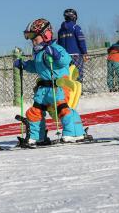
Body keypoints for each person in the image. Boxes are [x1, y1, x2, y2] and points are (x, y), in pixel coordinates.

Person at [14, 18, 86, 147]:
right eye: (31, 39)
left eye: (35, 38)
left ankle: (75, 132)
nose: (33, 42)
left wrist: (56, 55)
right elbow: (37, 67)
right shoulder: (38, 53)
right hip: (43, 89)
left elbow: (65, 60)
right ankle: (37, 136)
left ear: (46, 35)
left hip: (58, 86)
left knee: (62, 109)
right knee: (34, 111)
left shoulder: (55, 48)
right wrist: (24, 65)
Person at [57, 8, 88, 82]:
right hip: (76, 55)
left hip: (64, 56)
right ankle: (78, 90)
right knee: (77, 74)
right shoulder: (75, 27)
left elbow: (59, 44)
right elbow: (81, 40)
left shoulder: (60, 30)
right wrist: (84, 52)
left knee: (66, 74)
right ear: (74, 17)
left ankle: (68, 91)